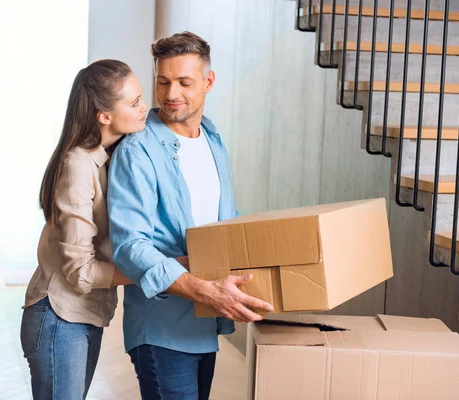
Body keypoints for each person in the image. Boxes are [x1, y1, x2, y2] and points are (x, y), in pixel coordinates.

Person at [107, 32, 274, 400]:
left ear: (208, 82)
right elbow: (131, 247)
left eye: (184, 82)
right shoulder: (137, 151)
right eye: (163, 81)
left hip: (204, 324)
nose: (170, 94)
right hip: (161, 328)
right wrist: (206, 289)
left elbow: (226, 224)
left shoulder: (213, 140)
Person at [20, 59, 153, 400]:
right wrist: (154, 272)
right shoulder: (79, 165)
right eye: (134, 102)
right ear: (104, 115)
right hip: (58, 318)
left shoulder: (112, 156)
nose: (145, 108)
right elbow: (79, 272)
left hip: (82, 316)